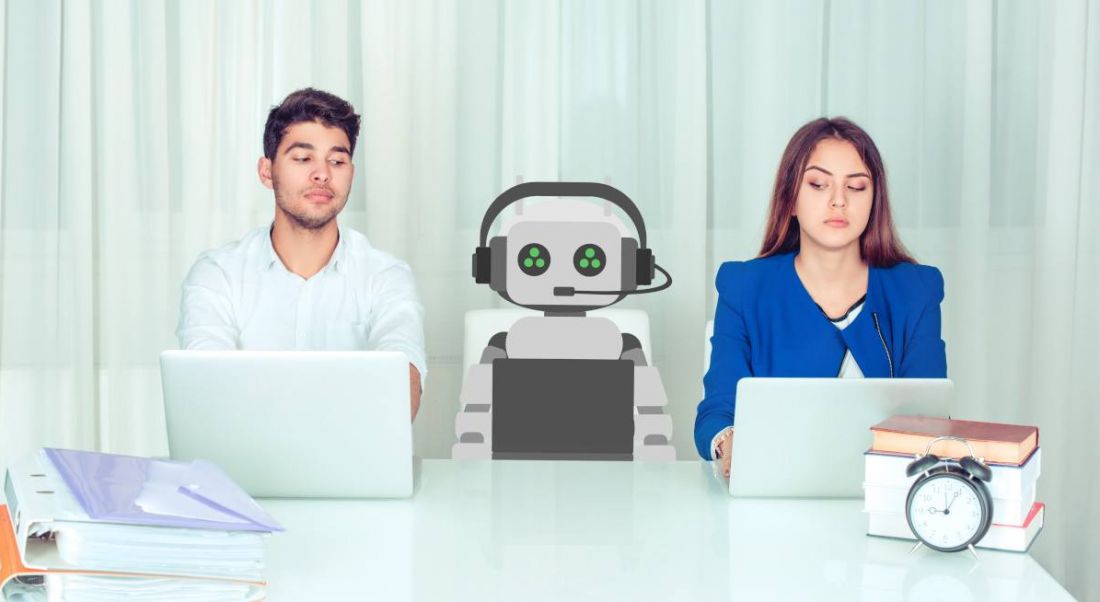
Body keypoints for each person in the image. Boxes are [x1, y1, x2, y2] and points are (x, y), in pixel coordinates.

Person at [695, 117, 946, 475]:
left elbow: (929, 418)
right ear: (791, 199)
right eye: (818, 184)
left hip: (879, 494)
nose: (838, 201)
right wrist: (730, 442)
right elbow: (718, 409)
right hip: (775, 495)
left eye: (856, 187)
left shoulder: (916, 290)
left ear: (874, 201)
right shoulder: (744, 286)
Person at [176, 88, 426, 419]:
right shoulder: (217, 274)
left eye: (337, 160)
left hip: (351, 467)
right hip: (244, 468)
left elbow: (401, 392)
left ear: (351, 172)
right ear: (267, 171)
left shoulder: (385, 276)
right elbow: (207, 394)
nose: (322, 173)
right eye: (303, 158)